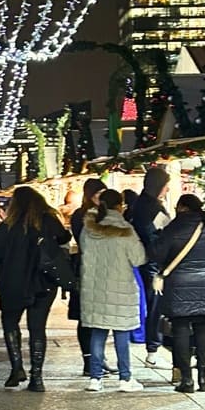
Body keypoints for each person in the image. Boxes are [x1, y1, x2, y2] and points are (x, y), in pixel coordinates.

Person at [0, 186, 71, 392]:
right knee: (37, 328)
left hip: (14, 282)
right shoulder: (48, 221)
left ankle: (17, 367)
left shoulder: (8, 225)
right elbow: (64, 238)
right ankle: (37, 377)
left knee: (10, 322)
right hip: (43, 283)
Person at [149, 194, 205, 393]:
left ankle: (187, 380)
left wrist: (157, 234)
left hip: (179, 281)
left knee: (181, 329)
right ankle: (204, 379)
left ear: (181, 207)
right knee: (202, 328)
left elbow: (157, 254)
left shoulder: (173, 227)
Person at [80, 189, 146, 393]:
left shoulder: (88, 229)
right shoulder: (126, 230)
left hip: (94, 287)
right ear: (120, 206)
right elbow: (139, 259)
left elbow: (82, 250)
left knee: (98, 333)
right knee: (121, 334)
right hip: (120, 288)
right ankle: (125, 379)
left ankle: (95, 378)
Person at [129, 166, 171, 366]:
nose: (167, 190)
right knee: (155, 305)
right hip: (153, 263)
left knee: (151, 304)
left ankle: (153, 346)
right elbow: (159, 234)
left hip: (144, 261)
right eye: (166, 185)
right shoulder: (152, 208)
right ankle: (153, 348)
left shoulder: (139, 204)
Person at [69, 177, 106, 376]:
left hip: (92, 269)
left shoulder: (99, 214)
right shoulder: (82, 216)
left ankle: (96, 359)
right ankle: (90, 360)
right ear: (91, 195)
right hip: (88, 270)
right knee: (87, 318)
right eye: (100, 194)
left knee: (97, 318)